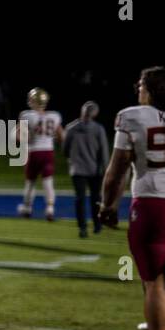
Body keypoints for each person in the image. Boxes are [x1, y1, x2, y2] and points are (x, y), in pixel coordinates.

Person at [100, 66, 165, 330]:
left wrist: (107, 205)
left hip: (153, 204)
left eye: (142, 85)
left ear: (153, 89)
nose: (138, 89)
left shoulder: (133, 116)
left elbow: (116, 169)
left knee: (154, 282)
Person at [15, 88, 64, 220]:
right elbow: (61, 136)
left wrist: (24, 139)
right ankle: (49, 209)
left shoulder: (26, 115)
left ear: (32, 101)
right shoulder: (54, 116)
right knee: (48, 181)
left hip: (34, 152)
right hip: (48, 152)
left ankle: (27, 207)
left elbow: (18, 136)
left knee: (30, 182)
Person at [64, 101, 110, 237]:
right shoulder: (98, 129)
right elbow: (104, 151)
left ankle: (83, 228)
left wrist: (72, 160)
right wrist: (106, 168)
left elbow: (65, 149)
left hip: (77, 169)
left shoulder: (71, 128)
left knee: (80, 198)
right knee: (95, 198)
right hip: (94, 169)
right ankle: (97, 225)